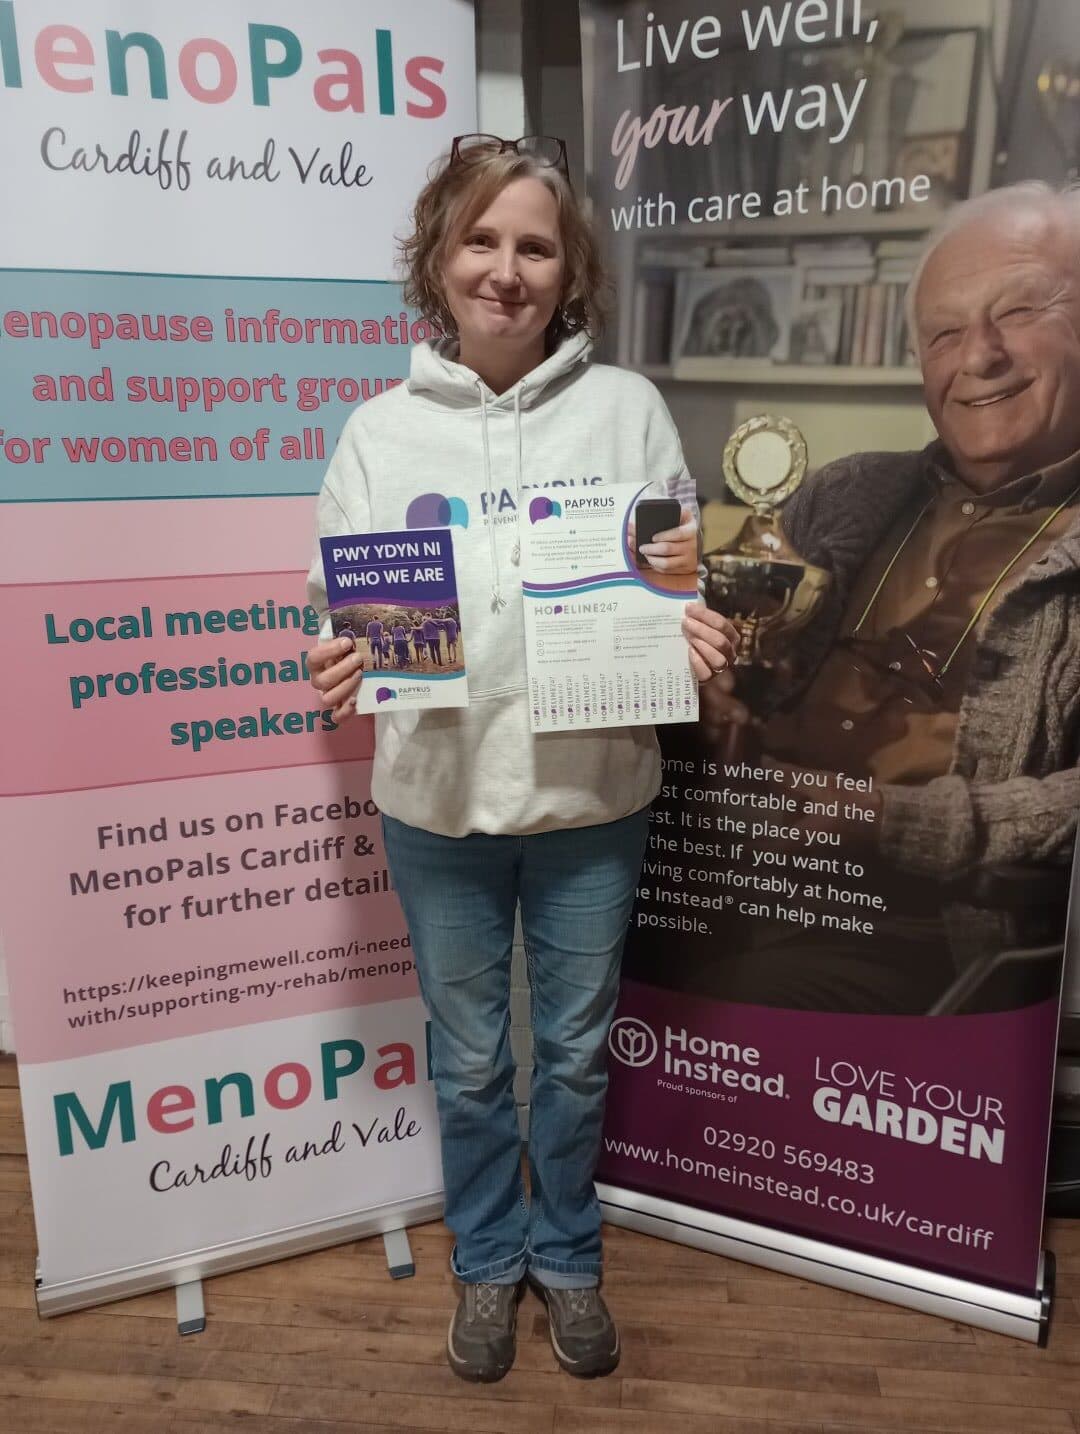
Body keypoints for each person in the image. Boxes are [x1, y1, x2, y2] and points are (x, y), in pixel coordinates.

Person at [306, 133, 736, 1383]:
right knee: (471, 1058)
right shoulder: (377, 432)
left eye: (534, 245)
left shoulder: (628, 408)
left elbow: (665, 585)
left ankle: (570, 1254)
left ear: (569, 270)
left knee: (573, 1050)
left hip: (592, 800)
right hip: (437, 804)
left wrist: (691, 627)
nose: (506, 269)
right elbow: (346, 609)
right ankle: (488, 1263)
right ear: (437, 263)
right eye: (479, 241)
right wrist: (337, 654)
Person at [690, 181, 1080, 1014]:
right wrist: (706, 676)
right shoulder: (847, 493)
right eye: (944, 332)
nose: (978, 356)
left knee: (707, 1004)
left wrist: (884, 822)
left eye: (1017, 312)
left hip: (927, 941)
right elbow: (741, 640)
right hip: (740, 879)